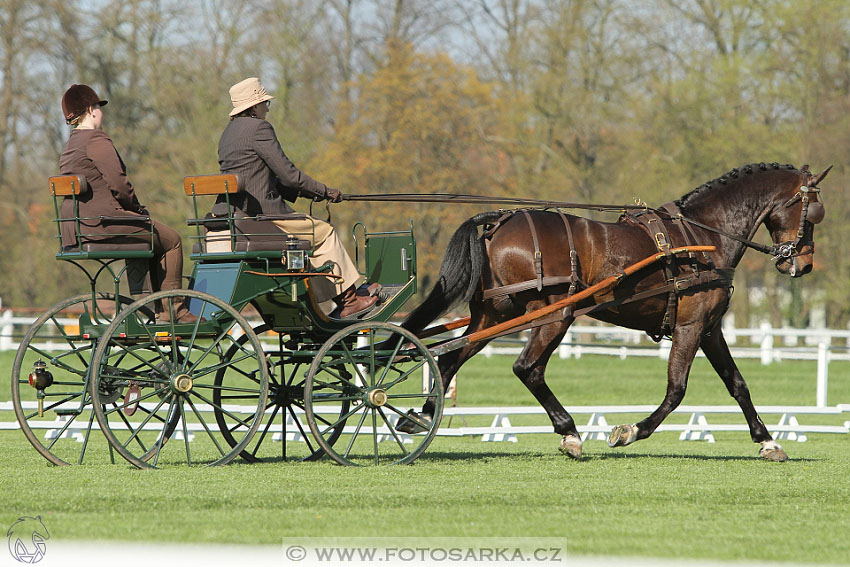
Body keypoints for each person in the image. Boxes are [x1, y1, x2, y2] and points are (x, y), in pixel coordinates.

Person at [217, 77, 378, 318]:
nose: (266, 109)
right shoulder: (259, 129)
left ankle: (333, 296)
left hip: (234, 215)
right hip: (263, 217)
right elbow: (289, 174)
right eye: (265, 104)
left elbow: (260, 178)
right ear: (254, 107)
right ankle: (350, 300)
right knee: (324, 232)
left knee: (315, 232)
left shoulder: (227, 135)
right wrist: (324, 191)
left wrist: (305, 192)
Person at [59, 84, 198, 323]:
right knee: (172, 240)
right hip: (103, 224)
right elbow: (119, 184)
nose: (101, 113)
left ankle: (149, 303)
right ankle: (174, 310)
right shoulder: (96, 139)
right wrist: (137, 209)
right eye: (99, 108)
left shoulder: (71, 145)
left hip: (75, 228)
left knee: (147, 234)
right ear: (91, 109)